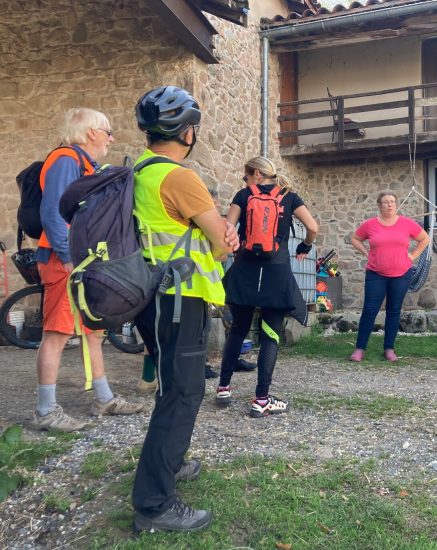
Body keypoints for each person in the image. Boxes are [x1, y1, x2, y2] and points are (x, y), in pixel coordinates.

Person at [131, 86, 239, 533]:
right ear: (187, 131)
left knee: (171, 387)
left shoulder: (138, 170)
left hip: (150, 294)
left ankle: (168, 464)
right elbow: (219, 241)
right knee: (183, 392)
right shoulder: (180, 177)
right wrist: (224, 236)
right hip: (181, 297)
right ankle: (154, 505)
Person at [31, 108, 143, 433]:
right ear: (91, 132)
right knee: (57, 333)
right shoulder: (67, 159)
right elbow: (53, 212)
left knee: (93, 331)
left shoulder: (85, 164)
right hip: (62, 258)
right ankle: (45, 410)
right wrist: (67, 256)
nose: (112, 137)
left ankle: (104, 398)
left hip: (81, 259)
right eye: (108, 131)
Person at [215, 156, 318, 417]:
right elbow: (313, 227)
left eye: (246, 176)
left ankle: (224, 387)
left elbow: (228, 229)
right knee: (271, 334)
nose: (245, 180)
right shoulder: (290, 197)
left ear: (257, 174)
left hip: (245, 270)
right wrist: (305, 245)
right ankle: (261, 399)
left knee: (238, 329)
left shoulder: (242, 195)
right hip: (276, 272)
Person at [349, 190, 430, 362]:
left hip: (401, 274)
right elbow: (355, 238)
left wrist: (413, 256)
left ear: (396, 204)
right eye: (386, 202)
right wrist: (366, 252)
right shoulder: (370, 224)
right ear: (379, 205)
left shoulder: (406, 223)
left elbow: (424, 239)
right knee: (370, 310)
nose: (390, 204)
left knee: (393, 311)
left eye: (392, 201)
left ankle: (389, 349)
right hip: (375, 273)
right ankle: (359, 349)